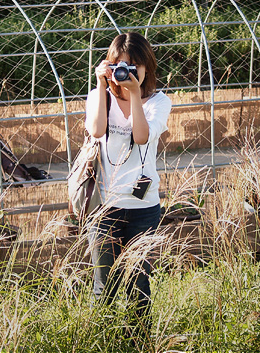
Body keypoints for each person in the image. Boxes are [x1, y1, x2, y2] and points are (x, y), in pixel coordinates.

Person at [85, 32, 172, 342]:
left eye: (135, 66)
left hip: (143, 208)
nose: (128, 72)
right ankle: (102, 343)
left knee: (139, 286)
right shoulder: (100, 96)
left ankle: (138, 344)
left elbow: (141, 136)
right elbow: (96, 130)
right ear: (111, 65)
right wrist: (100, 84)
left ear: (148, 67)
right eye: (121, 66)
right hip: (105, 207)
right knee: (103, 284)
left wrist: (134, 94)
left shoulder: (159, 101)